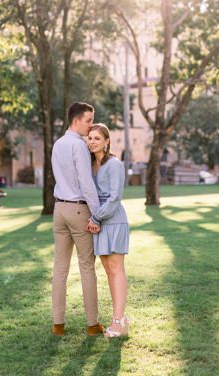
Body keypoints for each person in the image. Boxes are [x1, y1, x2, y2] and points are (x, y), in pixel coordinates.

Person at [51, 101, 104, 336]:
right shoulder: (79, 146)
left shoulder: (58, 144)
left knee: (60, 269)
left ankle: (58, 325)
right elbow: (86, 183)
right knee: (86, 267)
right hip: (79, 210)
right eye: (89, 120)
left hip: (59, 209)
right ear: (76, 120)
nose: (91, 125)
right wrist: (98, 214)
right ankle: (93, 324)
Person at [86, 123, 131, 338]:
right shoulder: (90, 164)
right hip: (100, 223)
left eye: (97, 138)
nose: (92, 141)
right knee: (108, 271)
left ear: (107, 141)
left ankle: (118, 321)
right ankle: (120, 317)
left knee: (116, 270)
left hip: (113, 221)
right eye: (90, 138)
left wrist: (95, 217)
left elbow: (115, 198)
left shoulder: (114, 165)